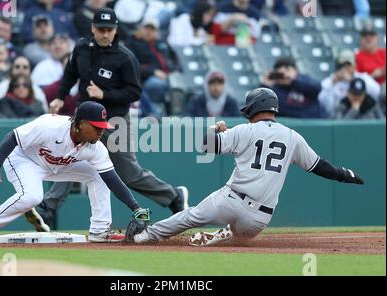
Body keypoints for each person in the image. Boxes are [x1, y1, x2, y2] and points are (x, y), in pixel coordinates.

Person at [131, 87, 364, 246]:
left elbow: (206, 146)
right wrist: (346, 175)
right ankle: (225, 235)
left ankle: (145, 236)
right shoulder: (292, 137)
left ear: (254, 108)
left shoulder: (245, 130)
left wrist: (215, 128)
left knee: (190, 217)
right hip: (259, 219)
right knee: (240, 240)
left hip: (231, 200)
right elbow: (319, 166)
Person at [27, 8, 189, 230]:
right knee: (69, 158)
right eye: (101, 29)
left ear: (115, 31)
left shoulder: (125, 57)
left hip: (114, 121)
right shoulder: (82, 47)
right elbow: (71, 73)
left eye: (109, 30)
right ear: (93, 28)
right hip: (83, 120)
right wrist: (60, 97)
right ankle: (48, 207)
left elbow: (134, 92)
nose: (104, 34)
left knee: (129, 174)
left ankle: (174, 197)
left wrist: (105, 95)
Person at [0, 101, 150, 244]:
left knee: (97, 174)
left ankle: (100, 230)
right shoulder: (50, 126)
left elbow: (112, 180)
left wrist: (136, 207)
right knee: (32, 197)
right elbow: (12, 137)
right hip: (24, 160)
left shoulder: (96, 148)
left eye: (102, 127)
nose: (100, 131)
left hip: (55, 165)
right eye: (96, 127)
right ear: (81, 123)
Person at [319, 49, 380, 118]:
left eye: (349, 65)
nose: (346, 68)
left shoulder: (362, 77)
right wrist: (332, 83)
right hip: (338, 116)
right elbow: (325, 106)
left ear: (354, 66)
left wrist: (353, 81)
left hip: (362, 115)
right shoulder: (330, 81)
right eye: (343, 65)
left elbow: (377, 93)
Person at [261, 57, 325, 118]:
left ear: (295, 70)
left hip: (315, 120)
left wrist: (293, 81)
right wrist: (265, 86)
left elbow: (316, 88)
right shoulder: (276, 89)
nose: (285, 76)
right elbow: (269, 106)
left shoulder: (304, 79)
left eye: (288, 70)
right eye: (281, 74)